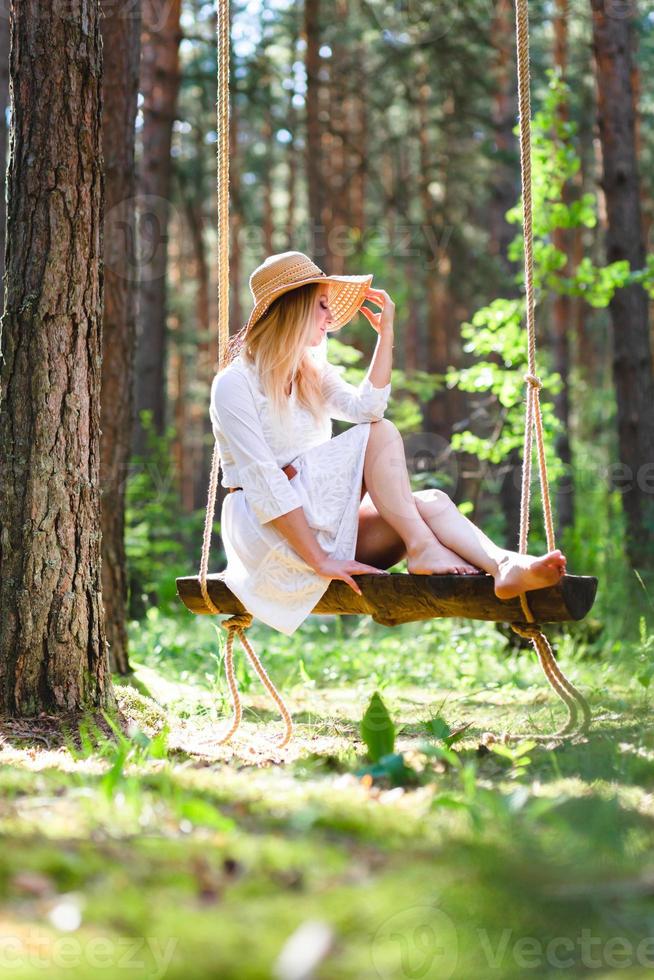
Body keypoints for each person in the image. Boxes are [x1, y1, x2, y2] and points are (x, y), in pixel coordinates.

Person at [210, 251, 567, 636]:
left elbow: (368, 407)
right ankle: (423, 547)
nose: (331, 319)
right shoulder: (234, 384)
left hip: (317, 518)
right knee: (380, 435)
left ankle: (503, 565)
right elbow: (265, 482)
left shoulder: (310, 372)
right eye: (322, 306)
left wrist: (387, 336)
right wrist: (318, 561)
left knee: (432, 501)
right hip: (271, 535)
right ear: (293, 309)